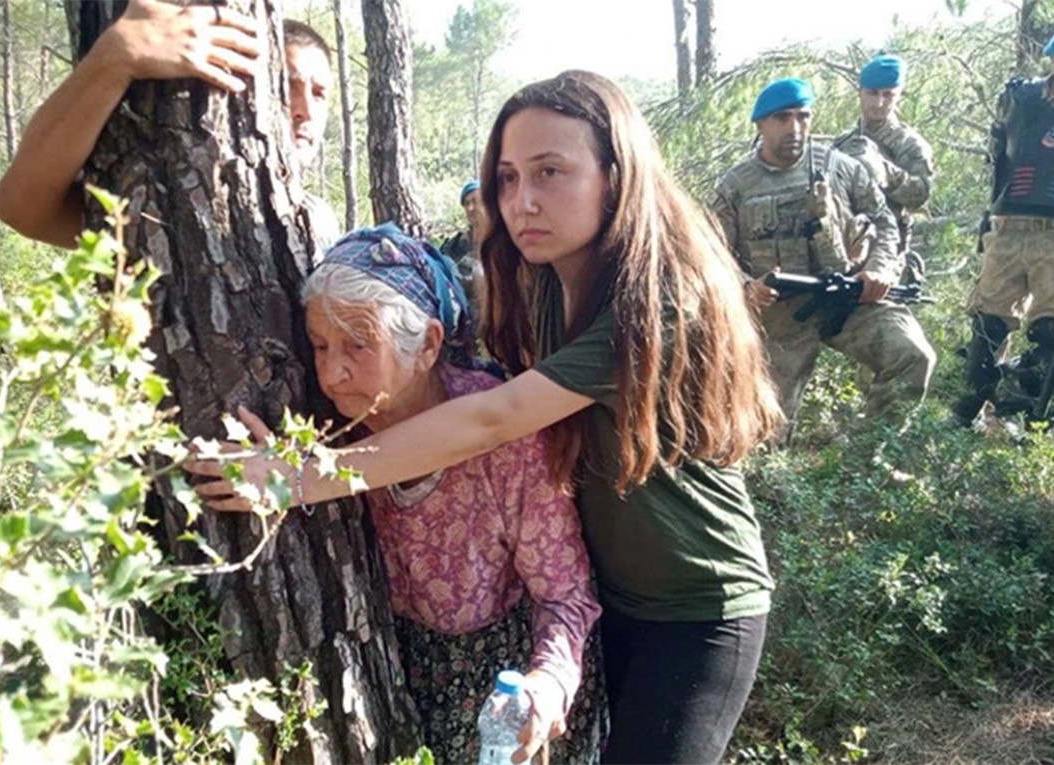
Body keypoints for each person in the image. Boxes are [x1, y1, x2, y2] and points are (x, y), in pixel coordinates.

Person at [190, 69, 782, 764]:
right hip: (617, 592)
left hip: (699, 605)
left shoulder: (653, 302)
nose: (521, 201)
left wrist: (301, 477)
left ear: (615, 176)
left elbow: (491, 419)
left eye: (550, 171)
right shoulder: (548, 286)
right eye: (505, 178)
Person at [296, 225, 604, 764]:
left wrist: (548, 681)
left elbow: (564, 595)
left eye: (358, 344)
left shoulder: (505, 437)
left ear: (430, 344)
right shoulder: (332, 426)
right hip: (390, 672)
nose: (332, 373)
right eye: (320, 346)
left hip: (503, 688)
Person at [0, 0, 340, 253]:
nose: (305, 110)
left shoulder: (321, 224)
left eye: (320, 93)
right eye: (287, 87)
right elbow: (24, 205)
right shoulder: (165, 197)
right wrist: (115, 59)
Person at [711, 77, 936, 437]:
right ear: (760, 124)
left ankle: (869, 463)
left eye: (803, 117)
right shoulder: (736, 185)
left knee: (911, 355)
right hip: (781, 313)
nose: (795, 127)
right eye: (783, 118)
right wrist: (744, 287)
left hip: (849, 297)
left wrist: (879, 269)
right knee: (767, 427)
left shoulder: (842, 167)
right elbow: (712, 253)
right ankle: (771, 481)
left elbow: (884, 222)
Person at [952, 35, 1054, 428]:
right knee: (988, 326)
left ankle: (1034, 427)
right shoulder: (1019, 98)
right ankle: (969, 413)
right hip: (1009, 226)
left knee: (1050, 334)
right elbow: (1000, 161)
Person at [834, 54, 936, 284]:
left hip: (887, 255)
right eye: (872, 93)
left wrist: (888, 173)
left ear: (898, 95)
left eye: (888, 94)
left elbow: (920, 195)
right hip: (844, 252)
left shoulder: (908, 144)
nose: (879, 102)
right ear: (860, 92)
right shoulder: (843, 143)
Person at [439, 180, 488, 322]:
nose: (471, 207)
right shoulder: (456, 244)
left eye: (475, 201)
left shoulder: (501, 237)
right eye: (466, 204)